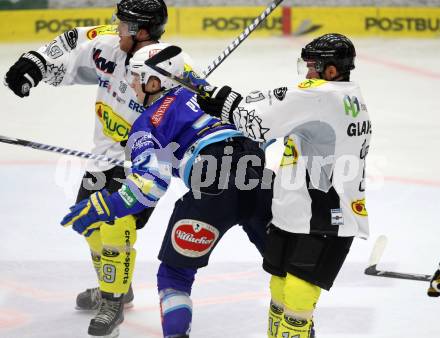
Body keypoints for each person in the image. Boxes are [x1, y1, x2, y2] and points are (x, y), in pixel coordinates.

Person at [4, 0, 204, 337]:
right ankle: (117, 286)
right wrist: (35, 63)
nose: (117, 26)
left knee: (116, 221)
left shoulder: (175, 65)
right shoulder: (109, 43)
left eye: (125, 24)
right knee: (89, 223)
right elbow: (72, 40)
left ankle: (112, 300)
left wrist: (204, 97)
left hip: (143, 162)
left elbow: (201, 104)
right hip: (103, 156)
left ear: (143, 31)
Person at [60, 43, 273, 337]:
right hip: (260, 180)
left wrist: (107, 205)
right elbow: (266, 128)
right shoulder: (210, 95)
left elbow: (149, 187)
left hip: (211, 190)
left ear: (155, 82)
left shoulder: (145, 125)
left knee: (174, 277)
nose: (131, 84)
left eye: (137, 77)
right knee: (285, 269)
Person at [197, 33, 371, 338]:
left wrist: (224, 104)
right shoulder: (345, 94)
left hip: (325, 216)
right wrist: (231, 101)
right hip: (298, 212)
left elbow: (259, 123)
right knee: (279, 287)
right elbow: (274, 106)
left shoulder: (322, 95)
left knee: (297, 293)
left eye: (313, 66)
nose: (308, 73)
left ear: (332, 70)